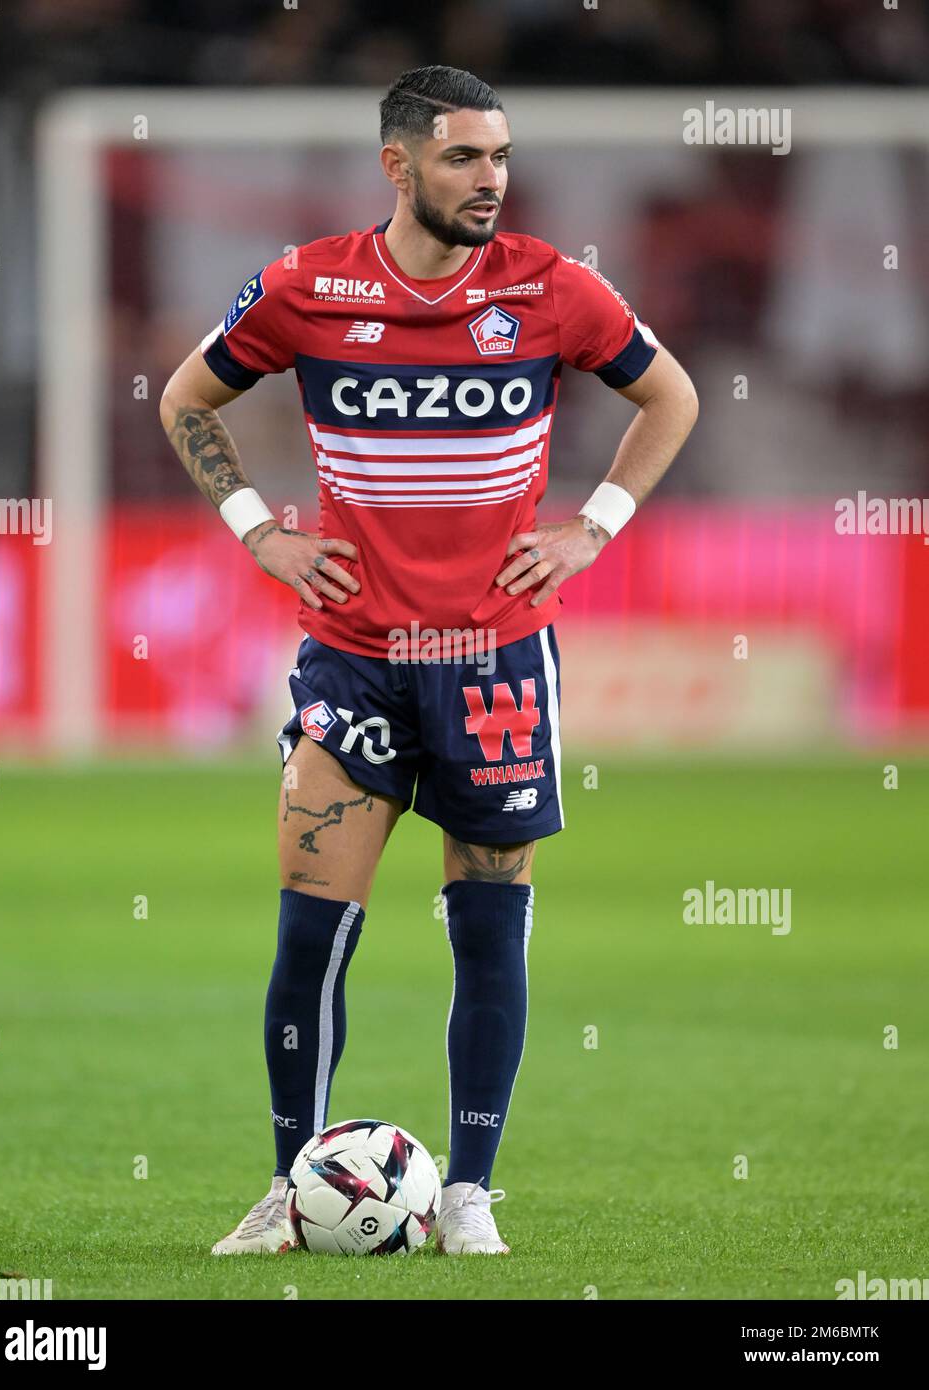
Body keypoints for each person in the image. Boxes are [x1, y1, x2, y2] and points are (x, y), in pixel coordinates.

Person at [159, 64, 698, 1256]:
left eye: (499, 156)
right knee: (310, 931)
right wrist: (259, 531)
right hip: (352, 658)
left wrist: (590, 527)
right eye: (463, 156)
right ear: (397, 165)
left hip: (494, 662)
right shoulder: (309, 284)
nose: (490, 179)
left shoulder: (550, 288)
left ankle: (469, 1191)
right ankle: (289, 1190)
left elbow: (668, 397)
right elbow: (188, 397)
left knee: (488, 924)